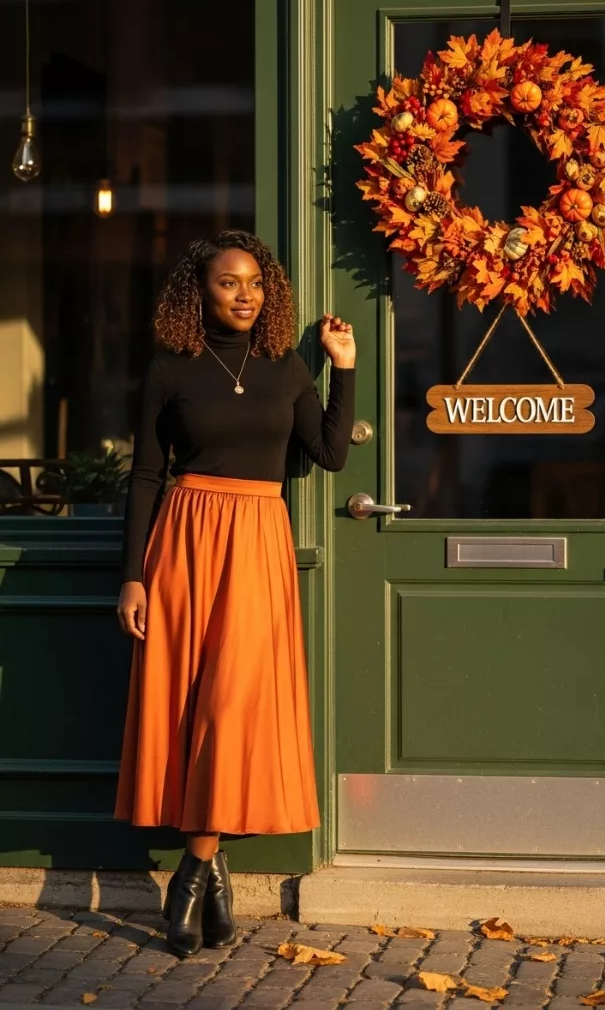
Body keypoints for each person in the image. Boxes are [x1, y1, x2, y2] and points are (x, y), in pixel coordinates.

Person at [114, 230, 355, 958]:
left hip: (256, 540)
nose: (244, 294)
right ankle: (211, 871)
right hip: (185, 538)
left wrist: (344, 369)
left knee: (231, 705)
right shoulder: (169, 369)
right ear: (200, 292)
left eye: (254, 283)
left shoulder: (285, 370)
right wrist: (132, 574)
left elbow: (331, 454)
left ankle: (193, 870)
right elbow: (147, 477)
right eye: (228, 283)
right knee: (190, 705)